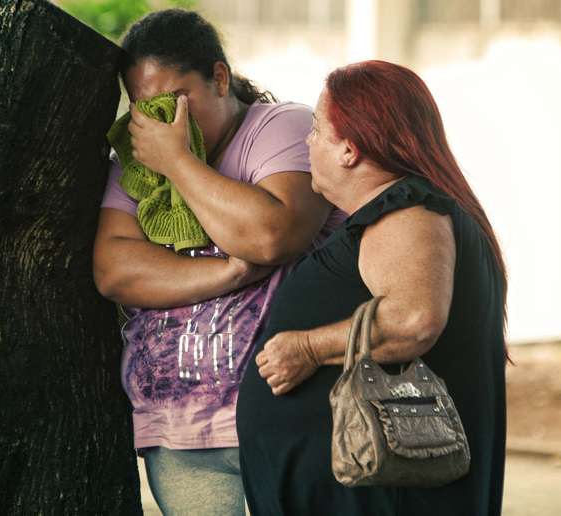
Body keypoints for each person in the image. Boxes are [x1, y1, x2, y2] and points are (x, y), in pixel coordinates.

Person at [92, 9, 343, 516]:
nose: (163, 122)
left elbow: (272, 236)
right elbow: (114, 270)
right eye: (147, 108)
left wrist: (178, 163)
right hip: (177, 430)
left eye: (175, 100)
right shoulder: (135, 167)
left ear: (219, 77)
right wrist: (227, 271)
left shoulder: (282, 127)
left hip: (283, 414)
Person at [236, 60, 508, 516]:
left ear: (350, 149)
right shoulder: (408, 210)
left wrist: (305, 348)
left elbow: (412, 320)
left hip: (384, 496)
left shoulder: (405, 209)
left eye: (318, 131)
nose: (307, 142)